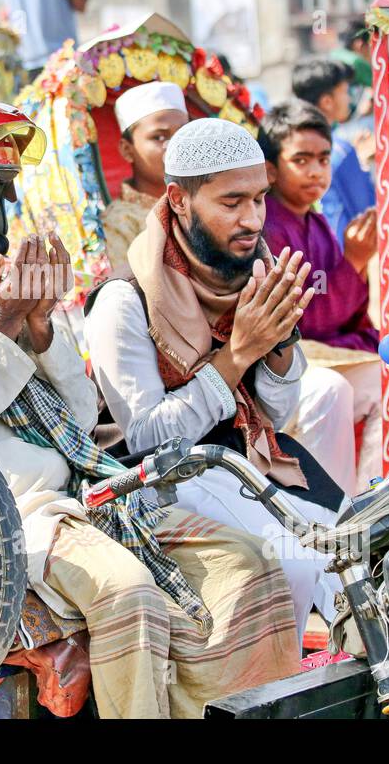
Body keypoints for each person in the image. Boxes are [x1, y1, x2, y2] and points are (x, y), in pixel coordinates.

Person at [0, 95, 300, 718]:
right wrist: (5, 328)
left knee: (249, 566)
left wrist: (40, 325)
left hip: (84, 492)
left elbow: (83, 416)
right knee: (130, 593)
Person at [84, 118, 346, 638]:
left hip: (241, 454)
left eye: (260, 199)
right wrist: (238, 354)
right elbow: (146, 439)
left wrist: (279, 343)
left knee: (350, 547)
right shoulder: (125, 300)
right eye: (231, 203)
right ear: (179, 200)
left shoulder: (251, 272)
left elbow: (271, 414)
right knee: (290, 565)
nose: (252, 219)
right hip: (154, 479)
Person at [261, 101, 382, 494]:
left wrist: (354, 266)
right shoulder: (267, 225)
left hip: (325, 346)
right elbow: (304, 319)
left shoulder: (316, 222)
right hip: (287, 358)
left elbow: (340, 310)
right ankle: (336, 516)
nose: (316, 171)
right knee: (336, 389)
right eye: (301, 159)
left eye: (324, 159)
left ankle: (377, 498)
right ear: (271, 168)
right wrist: (355, 261)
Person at [102, 81, 190, 267]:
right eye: (159, 137)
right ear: (127, 150)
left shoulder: (202, 199)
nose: (175, 146)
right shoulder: (119, 221)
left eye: (183, 133)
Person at [292, 57, 376, 246]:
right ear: (327, 102)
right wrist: (362, 162)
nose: (350, 98)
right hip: (341, 255)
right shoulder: (339, 151)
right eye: (345, 92)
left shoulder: (291, 146)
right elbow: (366, 209)